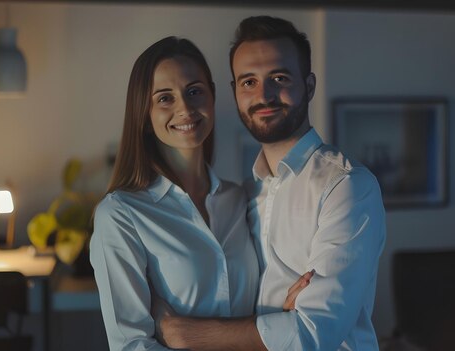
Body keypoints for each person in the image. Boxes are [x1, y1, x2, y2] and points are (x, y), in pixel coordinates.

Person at [157, 16, 387, 350]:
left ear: (308, 86)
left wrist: (184, 334)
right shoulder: (245, 195)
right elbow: (242, 304)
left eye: (279, 78)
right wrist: (279, 319)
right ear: (235, 92)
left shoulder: (347, 186)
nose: (263, 95)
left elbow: (311, 334)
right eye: (248, 82)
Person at [89, 36, 306, 350]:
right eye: (165, 98)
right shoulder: (121, 215)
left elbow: (264, 301)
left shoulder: (241, 199)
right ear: (144, 113)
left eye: (194, 91)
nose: (185, 108)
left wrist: (281, 316)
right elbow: (132, 345)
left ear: (213, 96)